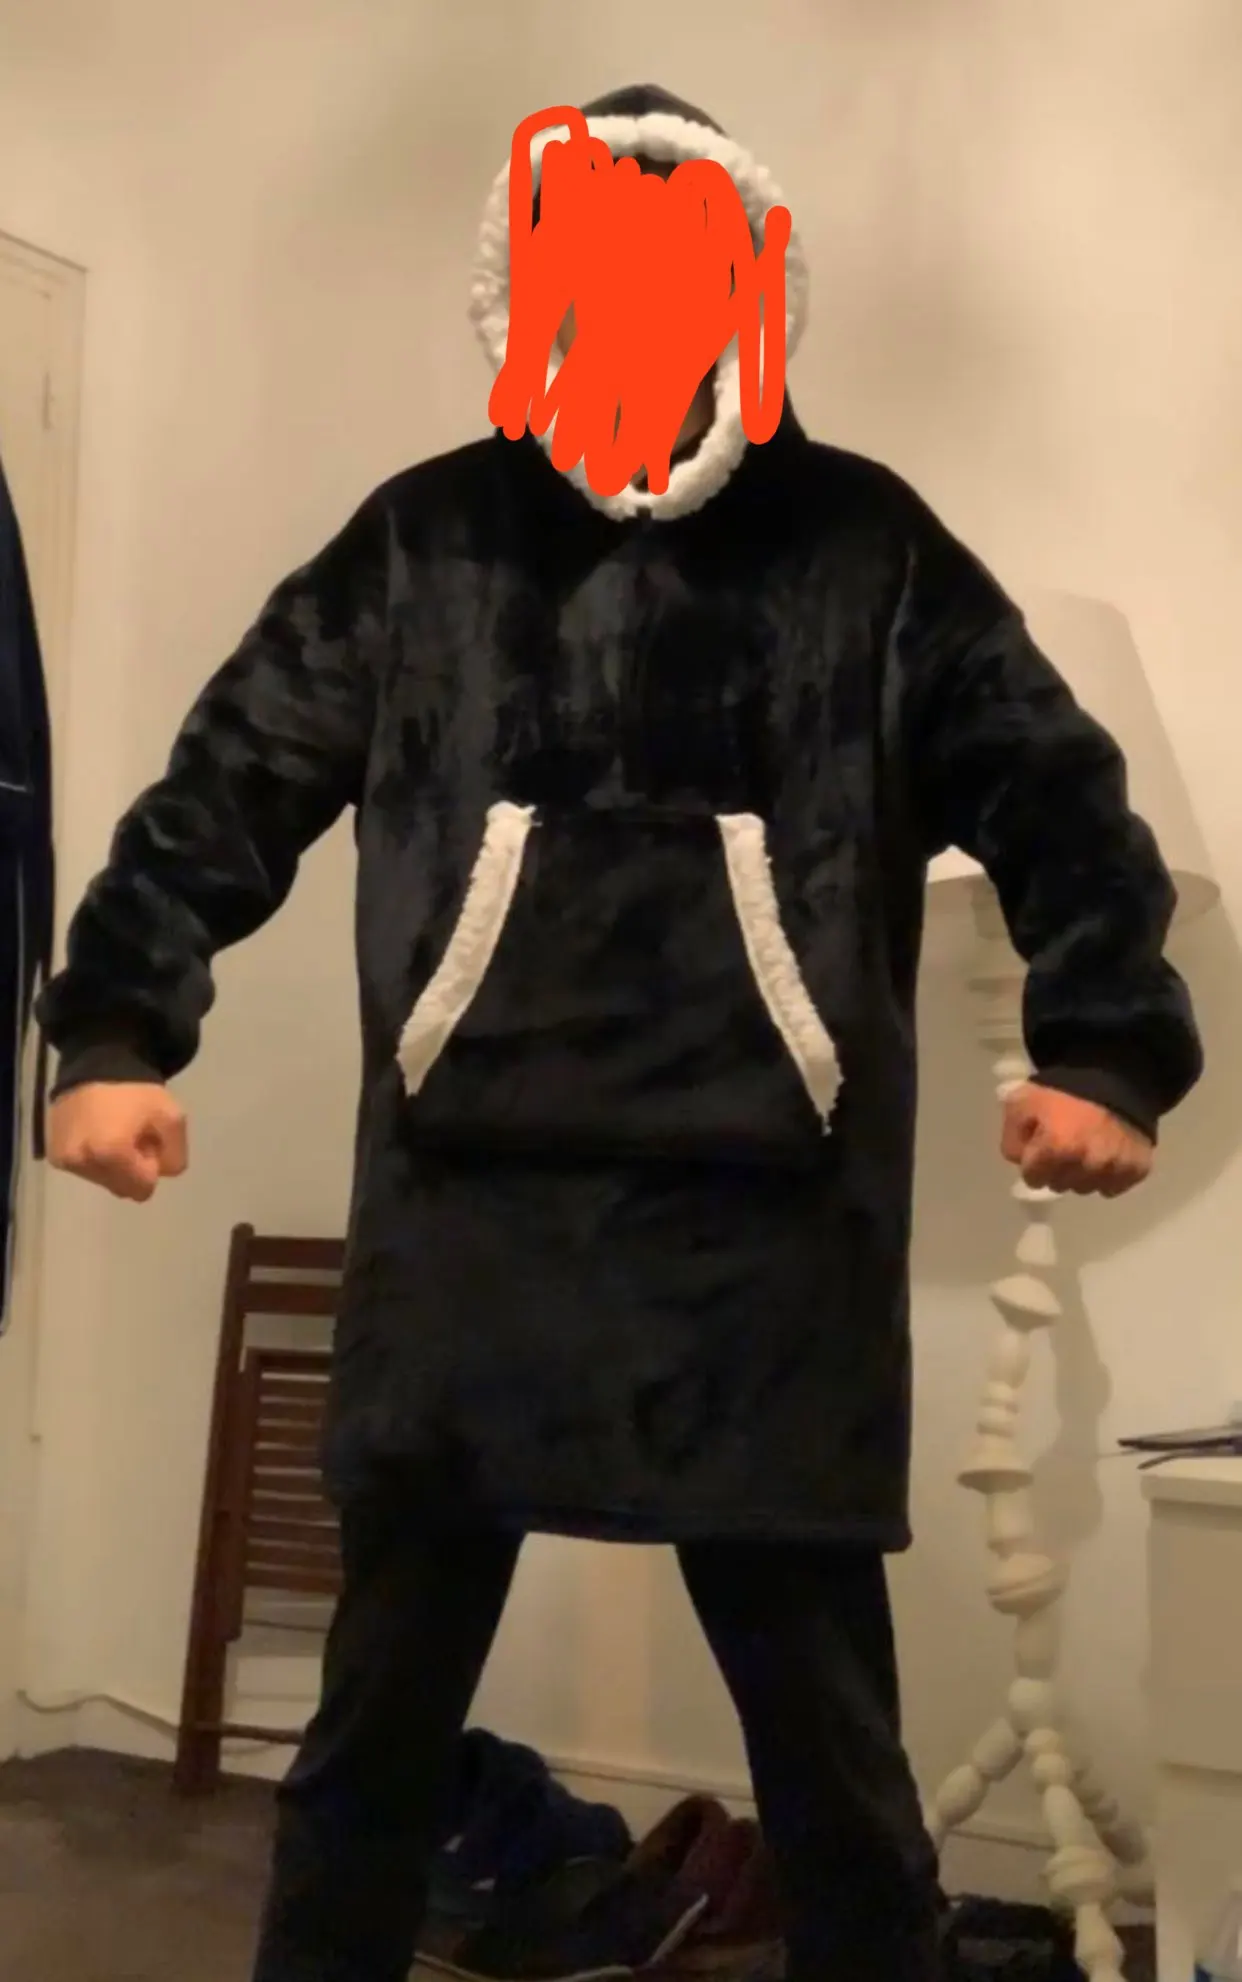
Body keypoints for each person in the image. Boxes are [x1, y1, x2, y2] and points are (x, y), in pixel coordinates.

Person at [37, 83, 1202, 1982]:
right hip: (467, 1239)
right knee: (369, 1754)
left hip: (770, 1253)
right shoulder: (424, 542)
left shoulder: (866, 548)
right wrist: (112, 1032)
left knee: (833, 1776)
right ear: (525, 289)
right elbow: (224, 783)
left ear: (753, 287)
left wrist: (1102, 1045)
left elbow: (1058, 792)